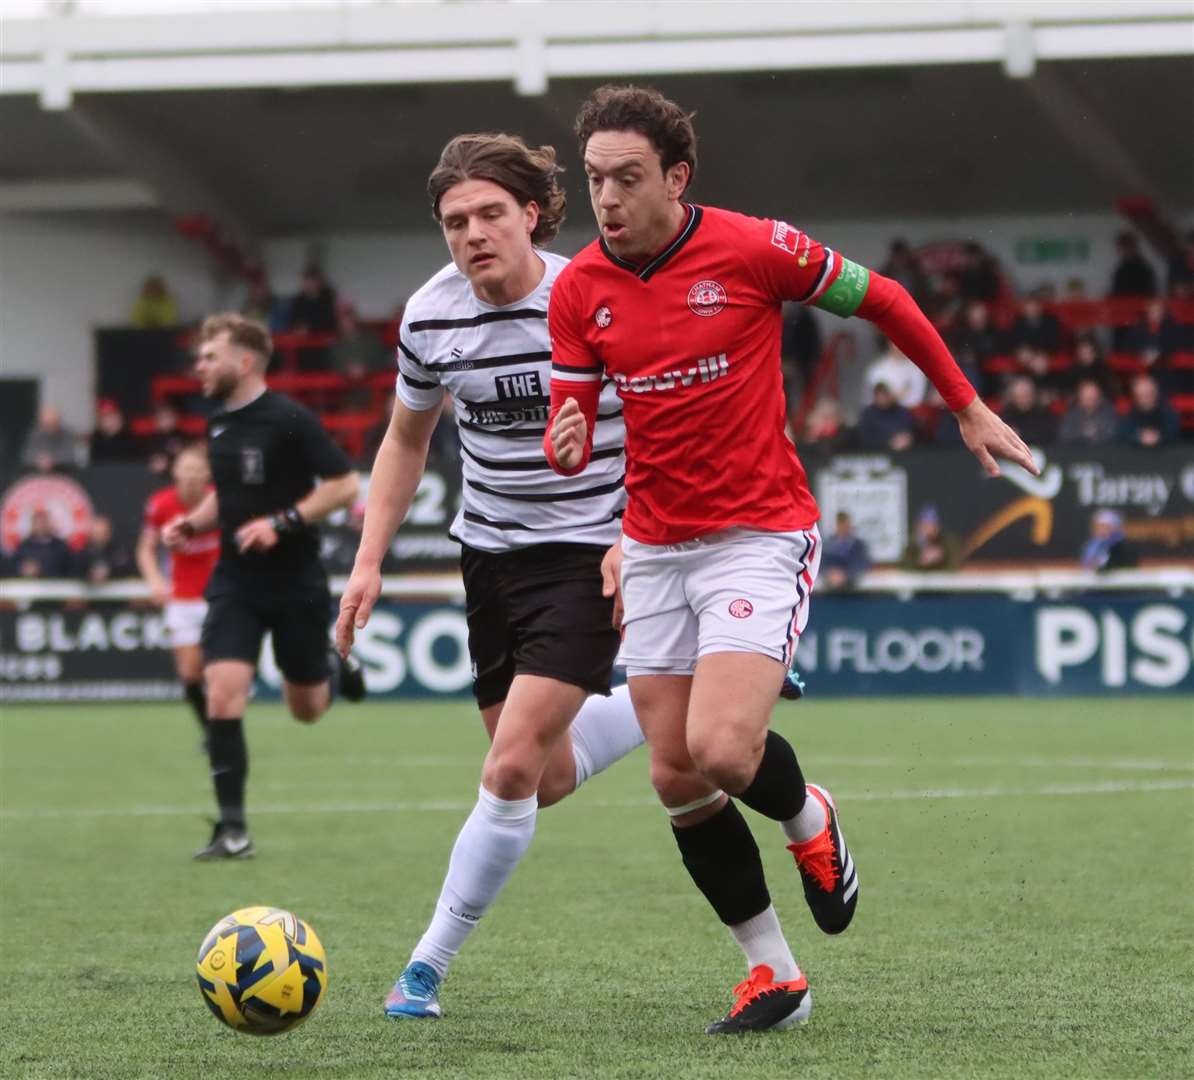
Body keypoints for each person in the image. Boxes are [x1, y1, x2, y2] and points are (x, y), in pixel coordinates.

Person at [545, 84, 1036, 1034]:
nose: (606, 197)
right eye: (595, 178)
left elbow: (883, 298)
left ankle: (809, 815)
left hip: (758, 533)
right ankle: (774, 975)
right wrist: (564, 437)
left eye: (628, 178)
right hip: (650, 545)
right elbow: (573, 420)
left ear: (677, 177)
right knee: (675, 777)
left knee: (724, 752)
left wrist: (965, 401)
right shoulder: (578, 291)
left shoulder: (755, 248)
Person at [335, 132, 647, 1022]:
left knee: (508, 770)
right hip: (491, 555)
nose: (472, 234)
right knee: (544, 777)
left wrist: (638, 531)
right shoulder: (429, 317)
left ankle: (424, 969)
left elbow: (665, 418)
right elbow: (406, 439)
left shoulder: (595, 299)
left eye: (489, 215)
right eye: (454, 222)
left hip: (592, 553)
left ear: (535, 215)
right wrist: (368, 561)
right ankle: (690, 690)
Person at [160, 314, 365, 860]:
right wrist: (194, 523)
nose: (200, 366)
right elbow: (226, 497)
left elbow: (345, 486)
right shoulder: (217, 425)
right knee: (222, 692)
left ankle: (329, 664)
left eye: (210, 357)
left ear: (244, 362)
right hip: (235, 583)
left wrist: (282, 524)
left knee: (308, 709)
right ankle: (233, 830)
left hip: (296, 581)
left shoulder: (290, 419)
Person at [137, 443, 221, 743]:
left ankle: (224, 728)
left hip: (218, 598)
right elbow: (145, 549)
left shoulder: (219, 501)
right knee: (190, 675)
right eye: (186, 469)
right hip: (183, 600)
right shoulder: (160, 505)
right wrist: (155, 581)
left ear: (207, 473)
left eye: (197, 470)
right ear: (175, 472)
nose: (191, 476)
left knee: (219, 673)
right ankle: (209, 730)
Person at [1118, 374, 1180, 447]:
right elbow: (1122, 434)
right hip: (1135, 453)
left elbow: (1173, 433)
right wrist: (1138, 438)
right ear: (1135, 396)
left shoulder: (1168, 411)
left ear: (1156, 393)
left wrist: (1159, 437)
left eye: (1149, 393)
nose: (1146, 399)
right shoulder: (1127, 412)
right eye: (1141, 395)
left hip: (1164, 452)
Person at [13, 507, 75, 578]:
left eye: (43, 522)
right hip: (30, 586)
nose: (40, 525)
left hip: (56, 585)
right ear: (32, 524)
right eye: (37, 522)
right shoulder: (23, 546)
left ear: (49, 523)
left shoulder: (60, 546)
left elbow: (69, 569)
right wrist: (24, 570)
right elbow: (15, 567)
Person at [865, 341, 928, 408]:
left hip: (907, 414)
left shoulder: (916, 369)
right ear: (890, 344)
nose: (899, 348)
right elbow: (873, 397)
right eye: (896, 344)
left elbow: (916, 399)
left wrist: (894, 398)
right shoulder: (877, 368)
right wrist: (895, 397)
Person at [74, 515, 134, 584]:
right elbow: (75, 572)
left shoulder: (119, 552)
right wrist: (89, 573)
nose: (100, 537)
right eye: (97, 533)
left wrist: (109, 571)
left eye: (103, 533)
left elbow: (127, 569)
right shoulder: (82, 555)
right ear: (91, 534)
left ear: (109, 533)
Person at [20, 406, 81, 473]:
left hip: (63, 472)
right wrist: (39, 459)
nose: (49, 427)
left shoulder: (67, 433)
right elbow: (27, 455)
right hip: (38, 474)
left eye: (53, 423)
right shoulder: (35, 434)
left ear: (58, 421)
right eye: (46, 424)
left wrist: (53, 460)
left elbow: (70, 456)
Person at [857, 381, 916, 451]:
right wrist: (888, 443)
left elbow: (909, 429)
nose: (883, 399)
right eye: (880, 396)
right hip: (877, 453)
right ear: (875, 397)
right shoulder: (868, 414)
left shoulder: (901, 411)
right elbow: (865, 438)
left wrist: (906, 438)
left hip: (904, 451)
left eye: (885, 395)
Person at [820, 512, 870, 590]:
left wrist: (845, 575)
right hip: (829, 590)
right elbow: (821, 564)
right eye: (840, 524)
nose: (843, 527)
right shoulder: (827, 544)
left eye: (845, 524)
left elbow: (863, 564)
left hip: (853, 590)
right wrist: (829, 574)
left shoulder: (858, 545)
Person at [1059, 379, 1118, 445]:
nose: (1090, 398)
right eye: (1086, 396)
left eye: (1093, 394)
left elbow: (1112, 434)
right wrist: (1082, 431)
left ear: (1099, 394)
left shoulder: (1108, 410)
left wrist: (1096, 433)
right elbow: (1064, 436)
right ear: (1079, 397)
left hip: (1103, 451)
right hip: (1078, 451)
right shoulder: (1072, 413)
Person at [1001, 376, 1057, 446]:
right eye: (1019, 397)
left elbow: (1048, 436)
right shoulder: (1007, 414)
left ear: (1033, 395)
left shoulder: (1043, 412)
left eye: (1026, 395)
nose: (1023, 400)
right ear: (1013, 397)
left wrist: (1020, 434)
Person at [901, 505, 959, 571]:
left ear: (937, 527)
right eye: (924, 524)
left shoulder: (948, 542)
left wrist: (941, 558)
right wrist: (919, 561)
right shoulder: (912, 544)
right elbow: (905, 566)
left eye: (931, 524)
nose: (927, 529)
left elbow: (955, 565)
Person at [88, 399, 141, 463]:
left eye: (110, 415)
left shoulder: (132, 439)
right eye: (103, 417)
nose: (107, 420)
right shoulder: (97, 439)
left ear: (119, 417)